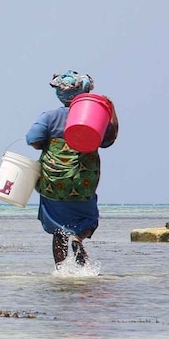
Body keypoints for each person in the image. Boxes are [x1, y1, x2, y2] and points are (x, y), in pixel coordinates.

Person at [26, 70, 119, 267]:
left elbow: (32, 140)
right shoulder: (96, 118)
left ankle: (61, 271)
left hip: (53, 183)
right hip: (83, 182)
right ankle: (78, 238)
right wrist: (110, 110)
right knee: (89, 219)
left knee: (58, 229)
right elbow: (108, 140)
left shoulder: (50, 117)